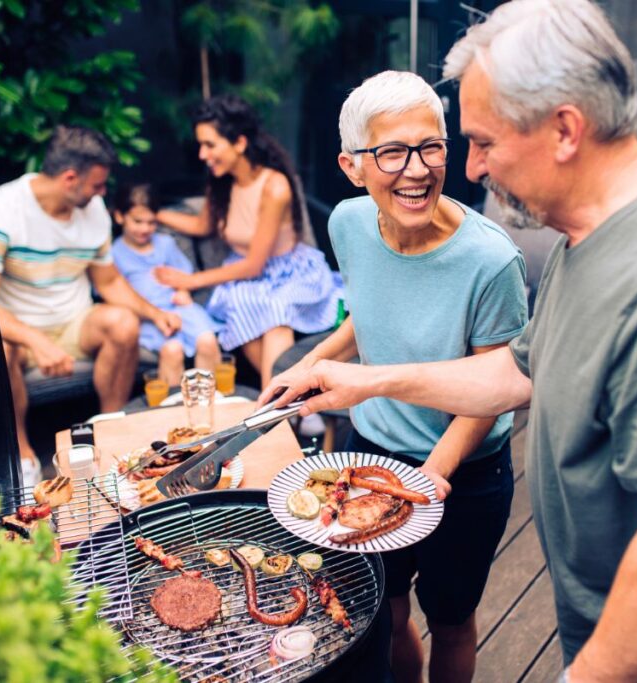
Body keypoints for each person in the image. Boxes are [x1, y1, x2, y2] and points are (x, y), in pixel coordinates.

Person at [268, 1, 637, 681]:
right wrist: (366, 379)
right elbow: (512, 376)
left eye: (484, 141)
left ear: (563, 130)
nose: (471, 169)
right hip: (621, 631)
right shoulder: (587, 243)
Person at [260, 71, 527, 683]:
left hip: (465, 470)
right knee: (383, 605)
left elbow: (495, 384)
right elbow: (367, 312)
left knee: (452, 617)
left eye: (430, 146)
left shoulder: (492, 261)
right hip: (369, 455)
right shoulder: (349, 224)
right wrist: (307, 364)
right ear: (352, 167)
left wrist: (433, 477)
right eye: (391, 152)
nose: (417, 169)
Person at [0, 126, 182, 483]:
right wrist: (36, 340)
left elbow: (108, 281)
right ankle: (23, 454)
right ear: (69, 178)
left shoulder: (93, 211)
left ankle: (111, 432)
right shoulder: (1, 209)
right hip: (19, 330)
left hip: (74, 322)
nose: (102, 193)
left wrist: (155, 313)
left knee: (124, 323)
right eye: (97, 184)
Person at [154, 95, 342, 387]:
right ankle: (288, 402)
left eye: (210, 145)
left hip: (287, 272)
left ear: (239, 143)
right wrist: (156, 215)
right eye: (201, 145)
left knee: (276, 315)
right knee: (244, 308)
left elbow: (256, 264)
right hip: (245, 276)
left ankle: (276, 410)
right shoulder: (221, 181)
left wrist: (191, 281)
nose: (202, 154)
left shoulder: (275, 186)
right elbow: (203, 225)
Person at [111, 183, 221, 386]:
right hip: (149, 318)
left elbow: (184, 274)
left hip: (180, 309)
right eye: (137, 221)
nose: (145, 229)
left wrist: (182, 290)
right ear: (120, 217)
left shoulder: (165, 243)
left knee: (207, 341)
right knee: (172, 351)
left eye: (151, 222)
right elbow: (112, 291)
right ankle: (175, 409)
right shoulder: (114, 253)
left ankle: (214, 399)